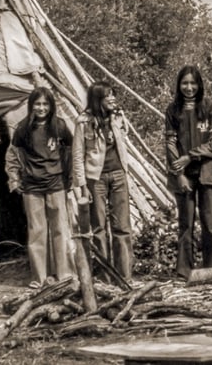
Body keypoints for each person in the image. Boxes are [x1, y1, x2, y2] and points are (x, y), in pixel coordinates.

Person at [6, 87, 75, 289]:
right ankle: (39, 277)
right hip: (32, 185)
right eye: (37, 104)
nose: (41, 108)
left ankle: (64, 274)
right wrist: (14, 179)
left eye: (45, 104)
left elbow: (71, 152)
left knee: (60, 229)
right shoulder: (23, 129)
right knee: (37, 231)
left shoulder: (60, 126)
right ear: (31, 106)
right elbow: (12, 156)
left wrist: (69, 178)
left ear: (51, 106)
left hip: (56, 183)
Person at [164, 65, 212, 280]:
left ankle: (211, 272)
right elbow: (170, 144)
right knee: (186, 223)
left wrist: (190, 156)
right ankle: (184, 272)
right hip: (184, 175)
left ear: (199, 85)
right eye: (184, 83)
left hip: (208, 172)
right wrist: (178, 174)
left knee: (209, 224)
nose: (189, 88)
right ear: (179, 85)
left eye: (193, 83)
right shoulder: (172, 110)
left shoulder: (209, 108)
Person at [72, 81, 134, 283]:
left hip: (118, 175)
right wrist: (82, 187)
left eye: (113, 94)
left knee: (122, 227)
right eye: (108, 95)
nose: (113, 98)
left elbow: (125, 136)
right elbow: (78, 155)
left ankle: (125, 277)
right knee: (98, 229)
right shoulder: (83, 122)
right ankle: (105, 278)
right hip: (95, 178)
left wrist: (120, 118)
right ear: (98, 99)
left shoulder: (117, 117)